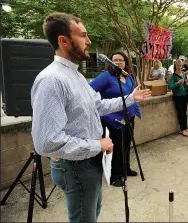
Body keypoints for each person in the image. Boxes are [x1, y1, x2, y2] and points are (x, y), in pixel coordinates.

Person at [30, 12, 151, 222]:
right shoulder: (52, 80)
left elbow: (98, 105)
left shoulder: (75, 75)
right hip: (76, 167)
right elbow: (46, 142)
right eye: (83, 35)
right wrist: (97, 145)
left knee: (92, 213)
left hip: (90, 163)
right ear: (64, 41)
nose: (89, 41)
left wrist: (130, 98)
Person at [90, 51, 140, 187]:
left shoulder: (127, 76)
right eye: (115, 60)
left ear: (126, 62)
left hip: (129, 116)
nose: (118, 62)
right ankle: (114, 176)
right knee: (116, 147)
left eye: (121, 60)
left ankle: (125, 169)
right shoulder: (106, 77)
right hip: (112, 118)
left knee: (126, 143)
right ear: (109, 62)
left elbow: (131, 94)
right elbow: (89, 90)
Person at [168, 60, 188, 137]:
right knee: (180, 112)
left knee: (184, 112)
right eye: (178, 65)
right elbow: (170, 86)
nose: (179, 67)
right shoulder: (173, 76)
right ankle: (182, 129)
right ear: (175, 66)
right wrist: (177, 83)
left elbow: (187, 84)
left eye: (180, 65)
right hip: (177, 96)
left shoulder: (184, 74)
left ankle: (186, 128)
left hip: (185, 95)